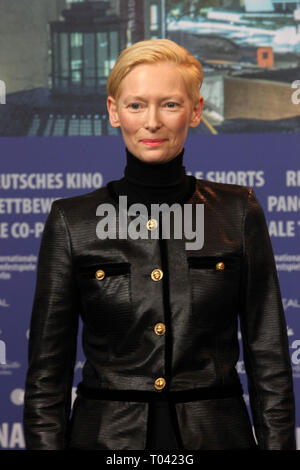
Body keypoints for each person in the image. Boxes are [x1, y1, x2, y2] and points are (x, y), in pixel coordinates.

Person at [23, 38, 295, 450]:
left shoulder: (238, 211)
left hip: (218, 437)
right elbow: (47, 375)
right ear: (114, 111)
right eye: (136, 105)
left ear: (196, 111)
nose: (152, 122)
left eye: (169, 104)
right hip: (106, 441)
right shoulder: (72, 221)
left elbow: (269, 355)